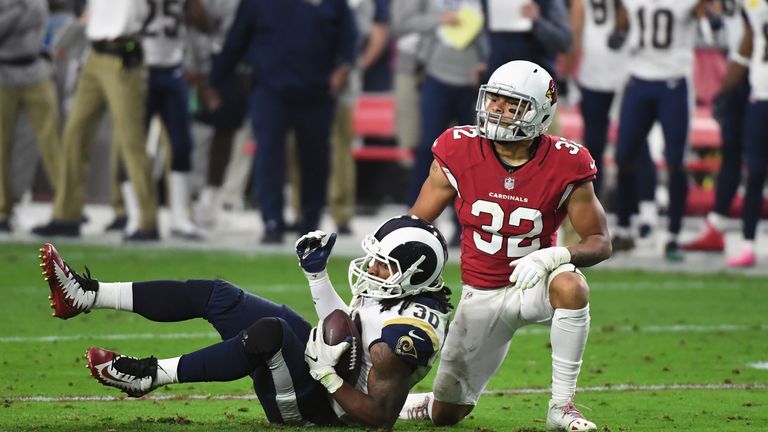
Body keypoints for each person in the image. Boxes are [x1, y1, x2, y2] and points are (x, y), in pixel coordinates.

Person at [40, 214, 453, 429]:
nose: (370, 269)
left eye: (381, 266)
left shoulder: (406, 336)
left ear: (414, 274)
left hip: (320, 406)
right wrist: (317, 276)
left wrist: (326, 377)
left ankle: (149, 376)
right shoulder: (395, 290)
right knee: (218, 294)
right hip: (323, 372)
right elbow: (342, 327)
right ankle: (87, 295)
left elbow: (378, 418)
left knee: (268, 334)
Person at [398, 60, 611, 431]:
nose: (496, 110)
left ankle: (562, 407)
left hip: (534, 283)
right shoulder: (458, 148)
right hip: (482, 292)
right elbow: (417, 223)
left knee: (571, 285)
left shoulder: (567, 162)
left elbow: (600, 242)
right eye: (493, 99)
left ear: (539, 113)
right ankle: (424, 403)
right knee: (447, 415)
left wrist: (554, 256)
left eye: (510, 104)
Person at [210, 0, 357, 244]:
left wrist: (344, 67)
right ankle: (272, 222)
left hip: (316, 90)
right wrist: (216, 81)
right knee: (268, 156)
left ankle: (310, 223)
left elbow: (349, 36)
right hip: (269, 89)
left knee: (315, 160)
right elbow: (237, 39)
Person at [31, 0, 159, 241]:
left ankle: (147, 219)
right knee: (75, 133)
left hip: (123, 55)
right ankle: (67, 215)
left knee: (131, 141)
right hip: (94, 55)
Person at [609, 0, 710, 261]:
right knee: (624, 157)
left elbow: (709, 24)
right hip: (638, 78)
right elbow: (619, 29)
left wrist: (708, 17)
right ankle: (623, 228)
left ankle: (673, 236)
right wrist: (619, 32)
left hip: (673, 82)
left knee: (676, 161)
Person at [683, 0, 749, 254]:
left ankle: (720, 223)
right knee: (733, 152)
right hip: (741, 71)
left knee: (748, 157)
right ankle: (717, 222)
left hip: (750, 73)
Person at [707, 0, 768, 267]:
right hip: (760, 95)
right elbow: (748, 44)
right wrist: (726, 89)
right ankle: (748, 244)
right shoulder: (754, 6)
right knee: (754, 173)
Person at [0, 0, 62, 232]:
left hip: (36, 70)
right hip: (3, 73)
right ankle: (3, 209)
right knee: (2, 144)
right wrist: (21, 11)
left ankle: (66, 207)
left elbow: (40, 20)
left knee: (51, 139)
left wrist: (19, 13)